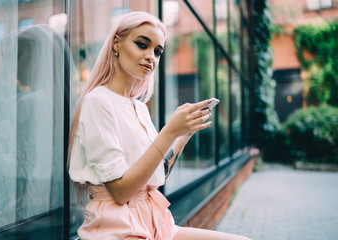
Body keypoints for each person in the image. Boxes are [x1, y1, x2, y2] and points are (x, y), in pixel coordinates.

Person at [68, 11, 251, 240]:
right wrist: (169, 131)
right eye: (142, 44)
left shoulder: (140, 108)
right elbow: (121, 192)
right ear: (116, 42)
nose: (151, 57)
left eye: (157, 51)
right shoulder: (98, 101)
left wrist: (183, 134)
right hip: (116, 227)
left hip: (156, 221)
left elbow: (157, 173)